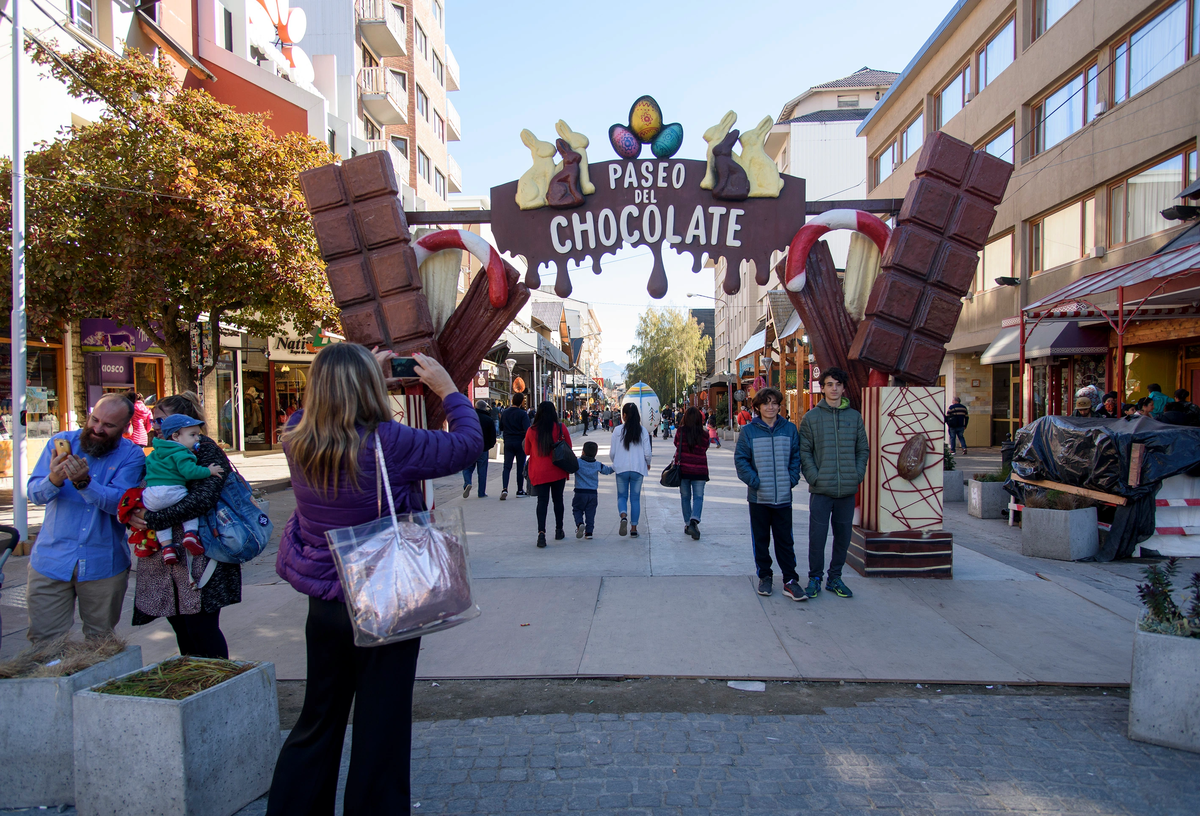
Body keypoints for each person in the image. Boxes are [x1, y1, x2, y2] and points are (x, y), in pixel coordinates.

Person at [267, 344, 481, 816]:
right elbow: (469, 444)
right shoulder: (390, 442)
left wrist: (358, 374)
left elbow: (317, 407)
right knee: (379, 727)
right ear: (370, 387)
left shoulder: (296, 435)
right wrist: (447, 390)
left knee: (318, 719)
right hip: (385, 602)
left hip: (324, 604)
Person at [25, 395, 146, 646]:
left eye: (109, 425)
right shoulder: (62, 443)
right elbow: (35, 494)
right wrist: (54, 480)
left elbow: (121, 504)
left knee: (100, 643)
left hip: (103, 563)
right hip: (51, 561)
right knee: (44, 643)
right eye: (95, 420)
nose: (98, 429)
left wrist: (85, 483)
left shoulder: (132, 455)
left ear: (125, 428)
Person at [127, 393, 240, 658]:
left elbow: (203, 499)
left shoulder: (204, 448)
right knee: (182, 629)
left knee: (201, 628)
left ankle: (217, 684)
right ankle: (194, 683)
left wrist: (152, 519)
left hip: (200, 553)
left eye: (159, 419)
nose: (154, 425)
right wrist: (135, 512)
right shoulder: (162, 450)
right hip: (169, 557)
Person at [799, 368, 868, 601]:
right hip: (821, 490)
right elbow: (804, 452)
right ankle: (815, 578)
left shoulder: (854, 417)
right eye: (829, 384)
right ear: (823, 388)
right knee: (817, 537)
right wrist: (814, 477)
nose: (834, 388)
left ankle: (835, 577)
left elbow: (862, 450)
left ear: (843, 387)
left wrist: (857, 474)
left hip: (846, 490)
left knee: (843, 536)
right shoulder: (811, 418)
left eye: (838, 384)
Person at [735, 387, 804, 601]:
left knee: (785, 540)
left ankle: (790, 580)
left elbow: (796, 457)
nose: (771, 407)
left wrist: (791, 479)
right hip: (759, 498)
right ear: (758, 407)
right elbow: (741, 460)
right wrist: (755, 481)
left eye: (774, 403)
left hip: (783, 497)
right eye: (766, 403)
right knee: (761, 539)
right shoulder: (749, 431)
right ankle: (765, 576)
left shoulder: (790, 429)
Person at [137, 415, 225, 564]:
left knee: (161, 520)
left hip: (151, 496)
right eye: (193, 435)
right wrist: (209, 471)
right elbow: (190, 472)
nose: (198, 439)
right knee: (188, 509)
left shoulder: (155, 453)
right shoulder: (182, 453)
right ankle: (190, 534)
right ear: (176, 436)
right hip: (172, 491)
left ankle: (167, 549)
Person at [524, 401, 573, 548]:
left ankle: (541, 534)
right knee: (558, 500)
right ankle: (559, 530)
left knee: (542, 502)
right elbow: (568, 447)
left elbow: (526, 451)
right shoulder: (560, 427)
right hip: (557, 470)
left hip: (539, 472)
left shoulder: (531, 430)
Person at [610, 403, 652, 538]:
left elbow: (612, 452)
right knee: (635, 499)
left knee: (622, 496)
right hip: (638, 468)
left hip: (621, 468)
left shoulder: (617, 431)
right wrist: (648, 463)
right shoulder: (643, 431)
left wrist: (616, 462)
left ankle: (623, 515)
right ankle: (634, 528)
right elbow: (648, 452)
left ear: (624, 415)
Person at [675, 406, 711, 540]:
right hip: (700, 470)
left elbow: (676, 444)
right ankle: (694, 520)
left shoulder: (680, 432)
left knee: (685, 497)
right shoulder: (705, 434)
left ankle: (687, 523)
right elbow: (705, 447)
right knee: (698, 497)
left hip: (684, 469)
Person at [572, 441, 614, 539]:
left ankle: (579, 524)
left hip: (579, 492)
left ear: (583, 452)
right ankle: (589, 533)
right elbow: (607, 471)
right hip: (592, 493)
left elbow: (570, 468)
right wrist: (616, 466)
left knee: (577, 509)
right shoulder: (597, 464)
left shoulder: (578, 463)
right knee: (590, 513)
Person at [463, 399, 497, 498]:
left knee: (467, 468)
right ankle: (481, 492)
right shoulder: (488, 419)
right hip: (483, 448)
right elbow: (492, 436)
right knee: (482, 471)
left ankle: (467, 483)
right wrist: (489, 446)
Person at [499, 393, 531, 500]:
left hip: (508, 441)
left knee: (507, 466)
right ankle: (520, 490)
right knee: (520, 467)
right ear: (522, 402)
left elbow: (501, 427)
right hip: (520, 441)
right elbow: (528, 430)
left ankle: (504, 488)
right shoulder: (522, 414)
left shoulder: (505, 412)